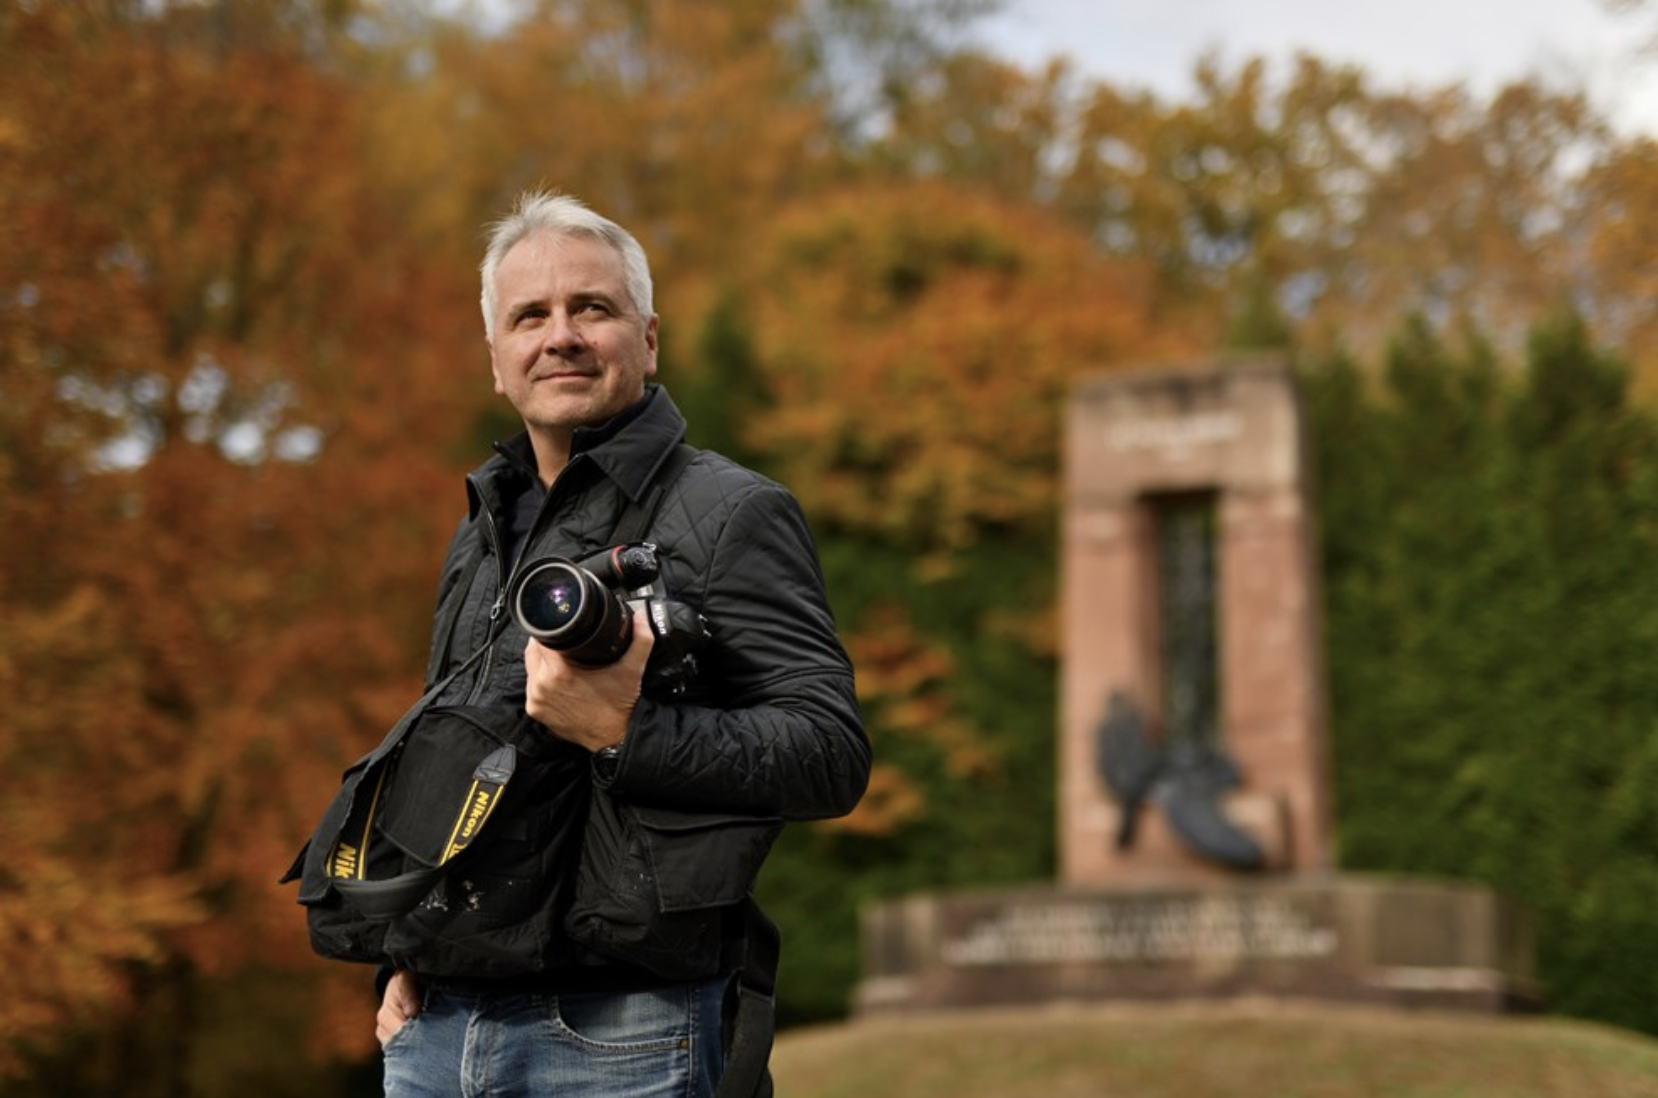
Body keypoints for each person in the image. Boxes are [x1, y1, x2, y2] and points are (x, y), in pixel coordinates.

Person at [372, 191, 870, 1097]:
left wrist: (622, 732)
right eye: (530, 315)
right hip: (437, 1027)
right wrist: (404, 952)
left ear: (647, 339)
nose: (560, 336)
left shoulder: (732, 513)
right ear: (497, 359)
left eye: (591, 308)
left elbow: (828, 753)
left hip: (625, 1031)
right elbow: (442, 759)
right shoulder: (480, 528)